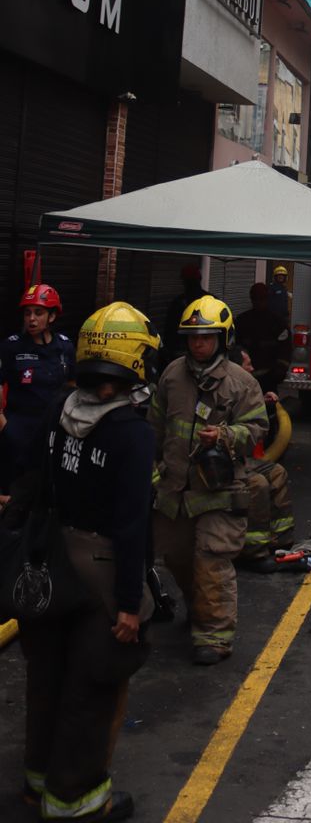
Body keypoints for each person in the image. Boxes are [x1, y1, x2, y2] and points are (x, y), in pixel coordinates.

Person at [17, 301, 159, 822]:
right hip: (100, 570)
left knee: (46, 675)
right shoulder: (131, 433)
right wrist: (128, 604)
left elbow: (30, 476)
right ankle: (75, 801)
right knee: (91, 686)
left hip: (49, 563)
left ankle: (37, 781)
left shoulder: (59, 409)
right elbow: (129, 524)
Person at [150, 295, 267, 664]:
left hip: (219, 489)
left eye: (206, 336)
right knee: (179, 559)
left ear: (223, 338)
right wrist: (152, 470)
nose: (198, 343)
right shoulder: (171, 375)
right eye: (192, 337)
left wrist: (227, 436)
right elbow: (155, 427)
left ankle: (214, 637)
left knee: (211, 561)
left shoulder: (241, 383)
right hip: (175, 492)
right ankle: (199, 608)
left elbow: (258, 428)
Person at [0, 284, 75, 492]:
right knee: (12, 490)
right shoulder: (11, 346)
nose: (31, 319)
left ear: (51, 317)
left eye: (38, 313)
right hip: (18, 430)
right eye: (27, 313)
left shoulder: (65, 347)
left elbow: (71, 385)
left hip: (53, 430)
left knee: (45, 488)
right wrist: (4, 425)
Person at [233, 347, 294, 571]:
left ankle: (281, 543)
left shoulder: (248, 390)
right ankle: (254, 552)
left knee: (277, 473)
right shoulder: (224, 391)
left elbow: (259, 430)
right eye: (247, 364)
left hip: (244, 459)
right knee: (258, 483)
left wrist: (266, 405)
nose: (252, 368)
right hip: (227, 461)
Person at [234, 282, 292, 391]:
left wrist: (279, 372)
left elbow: (285, 349)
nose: (259, 302)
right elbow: (235, 347)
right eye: (256, 299)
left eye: (262, 299)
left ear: (267, 299)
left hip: (269, 378)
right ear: (252, 299)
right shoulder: (242, 321)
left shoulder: (278, 323)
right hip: (245, 378)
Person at [161, 263, 203, 367]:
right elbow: (169, 331)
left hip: (182, 352)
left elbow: (169, 331)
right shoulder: (178, 303)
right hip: (181, 352)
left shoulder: (178, 302)